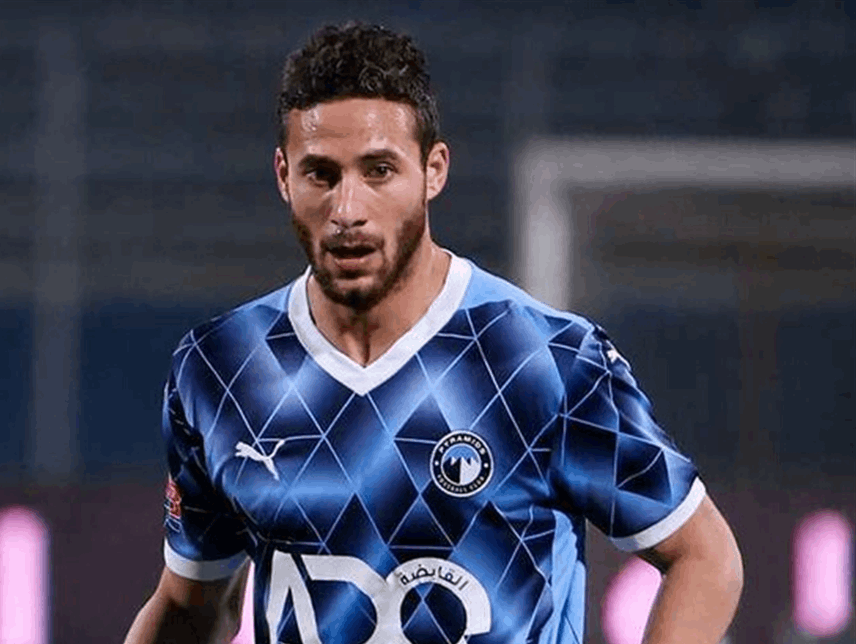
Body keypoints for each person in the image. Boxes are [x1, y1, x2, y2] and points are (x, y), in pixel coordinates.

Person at [123, 21, 743, 644]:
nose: (347, 210)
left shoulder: (544, 359)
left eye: (379, 170)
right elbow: (189, 606)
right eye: (321, 175)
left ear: (433, 171)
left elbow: (704, 559)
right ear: (283, 176)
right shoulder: (221, 366)